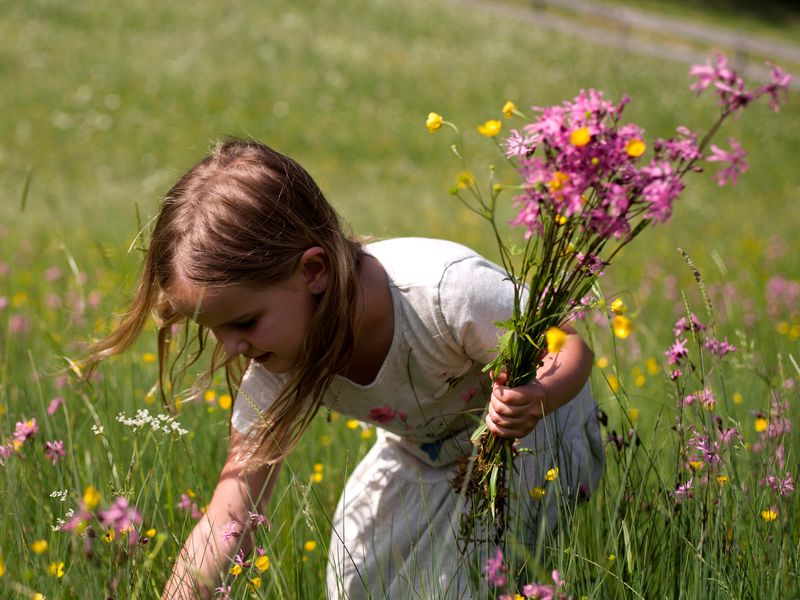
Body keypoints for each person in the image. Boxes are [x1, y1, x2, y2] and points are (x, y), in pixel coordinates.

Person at [86, 139, 603, 599]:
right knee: (358, 576)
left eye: (243, 321)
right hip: (425, 452)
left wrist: (538, 396)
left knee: (464, 582)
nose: (232, 346)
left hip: (534, 438)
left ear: (313, 271)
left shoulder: (445, 292)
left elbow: (569, 345)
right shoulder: (277, 362)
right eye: (215, 328)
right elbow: (232, 507)